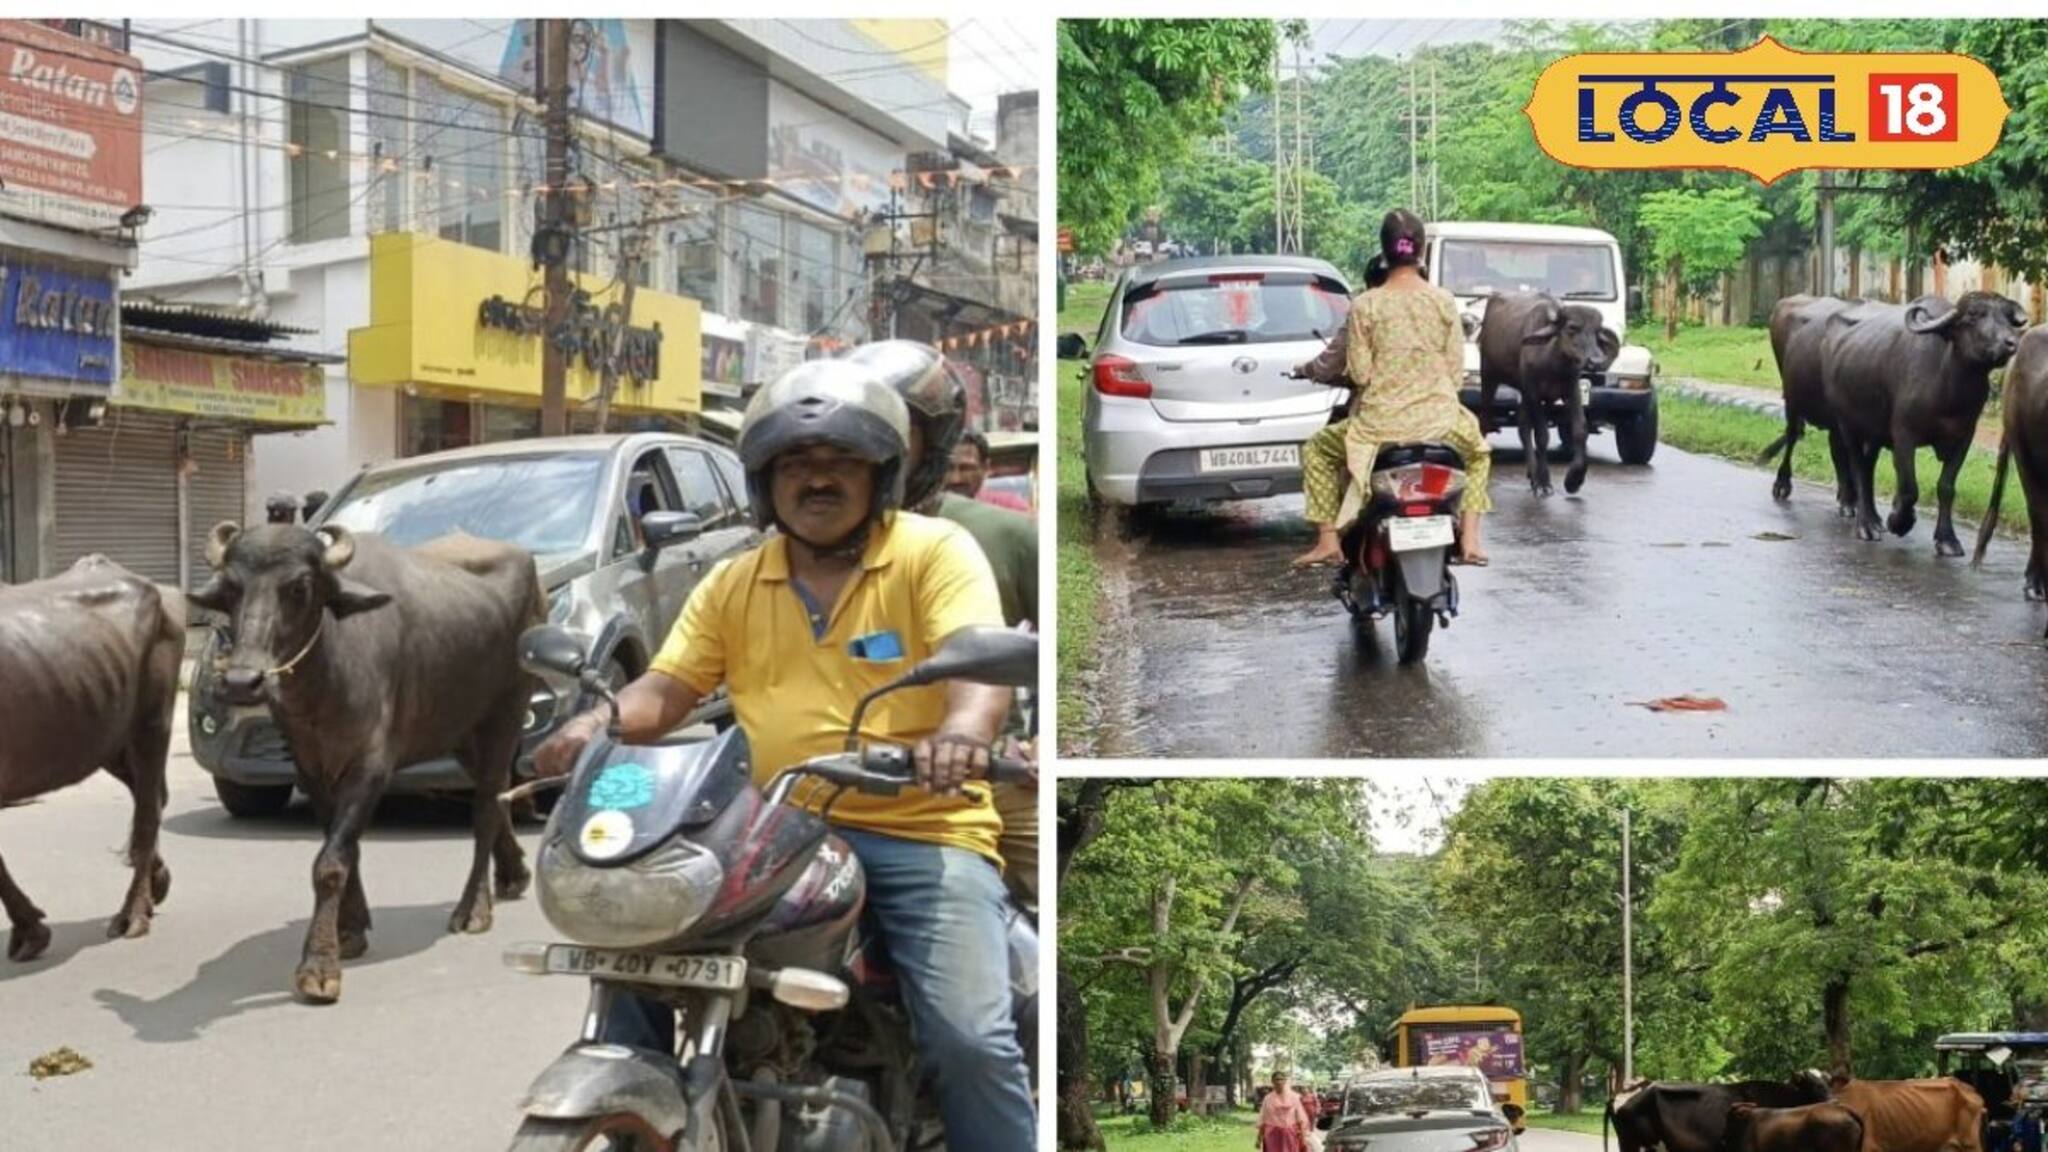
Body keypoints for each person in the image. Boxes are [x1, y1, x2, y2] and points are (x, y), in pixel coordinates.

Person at [532, 359, 1036, 1152]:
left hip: (922, 830)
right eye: (797, 465)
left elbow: (973, 667)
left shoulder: (934, 552)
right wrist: (596, 722)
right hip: (777, 828)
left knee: (970, 1039)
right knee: (636, 949)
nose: (818, 480)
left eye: (841, 463)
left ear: (883, 475)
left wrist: (962, 734)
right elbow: (668, 687)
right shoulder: (737, 579)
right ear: (767, 482)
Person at [847, 339, 1039, 907]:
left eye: (891, 437)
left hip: (975, 772)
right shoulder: (792, 547)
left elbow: (1062, 653)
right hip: (832, 779)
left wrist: (1042, 744)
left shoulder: (999, 535)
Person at [1293, 209, 1492, 569]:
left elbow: (1361, 373)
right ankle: (1471, 539)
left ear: (1384, 251)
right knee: (1479, 455)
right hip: (1441, 424)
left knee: (1318, 451)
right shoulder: (1443, 301)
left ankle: (1327, 541)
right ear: (1421, 252)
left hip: (1377, 428)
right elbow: (1454, 373)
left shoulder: (1366, 305)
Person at [948, 428, 1032, 513]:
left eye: (966, 469)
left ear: (985, 467)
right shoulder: (934, 511)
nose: (955, 479)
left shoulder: (1010, 509)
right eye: (948, 468)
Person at [1258, 1070, 1313, 1152]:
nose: (1279, 1082)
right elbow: (1263, 1119)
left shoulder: (1294, 1097)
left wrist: (1303, 1137)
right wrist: (1259, 1139)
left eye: (1281, 1079)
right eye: (1276, 1079)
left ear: (1285, 1081)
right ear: (1272, 1081)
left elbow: (1300, 1118)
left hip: (1290, 1134)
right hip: (1272, 1135)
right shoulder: (1268, 1098)